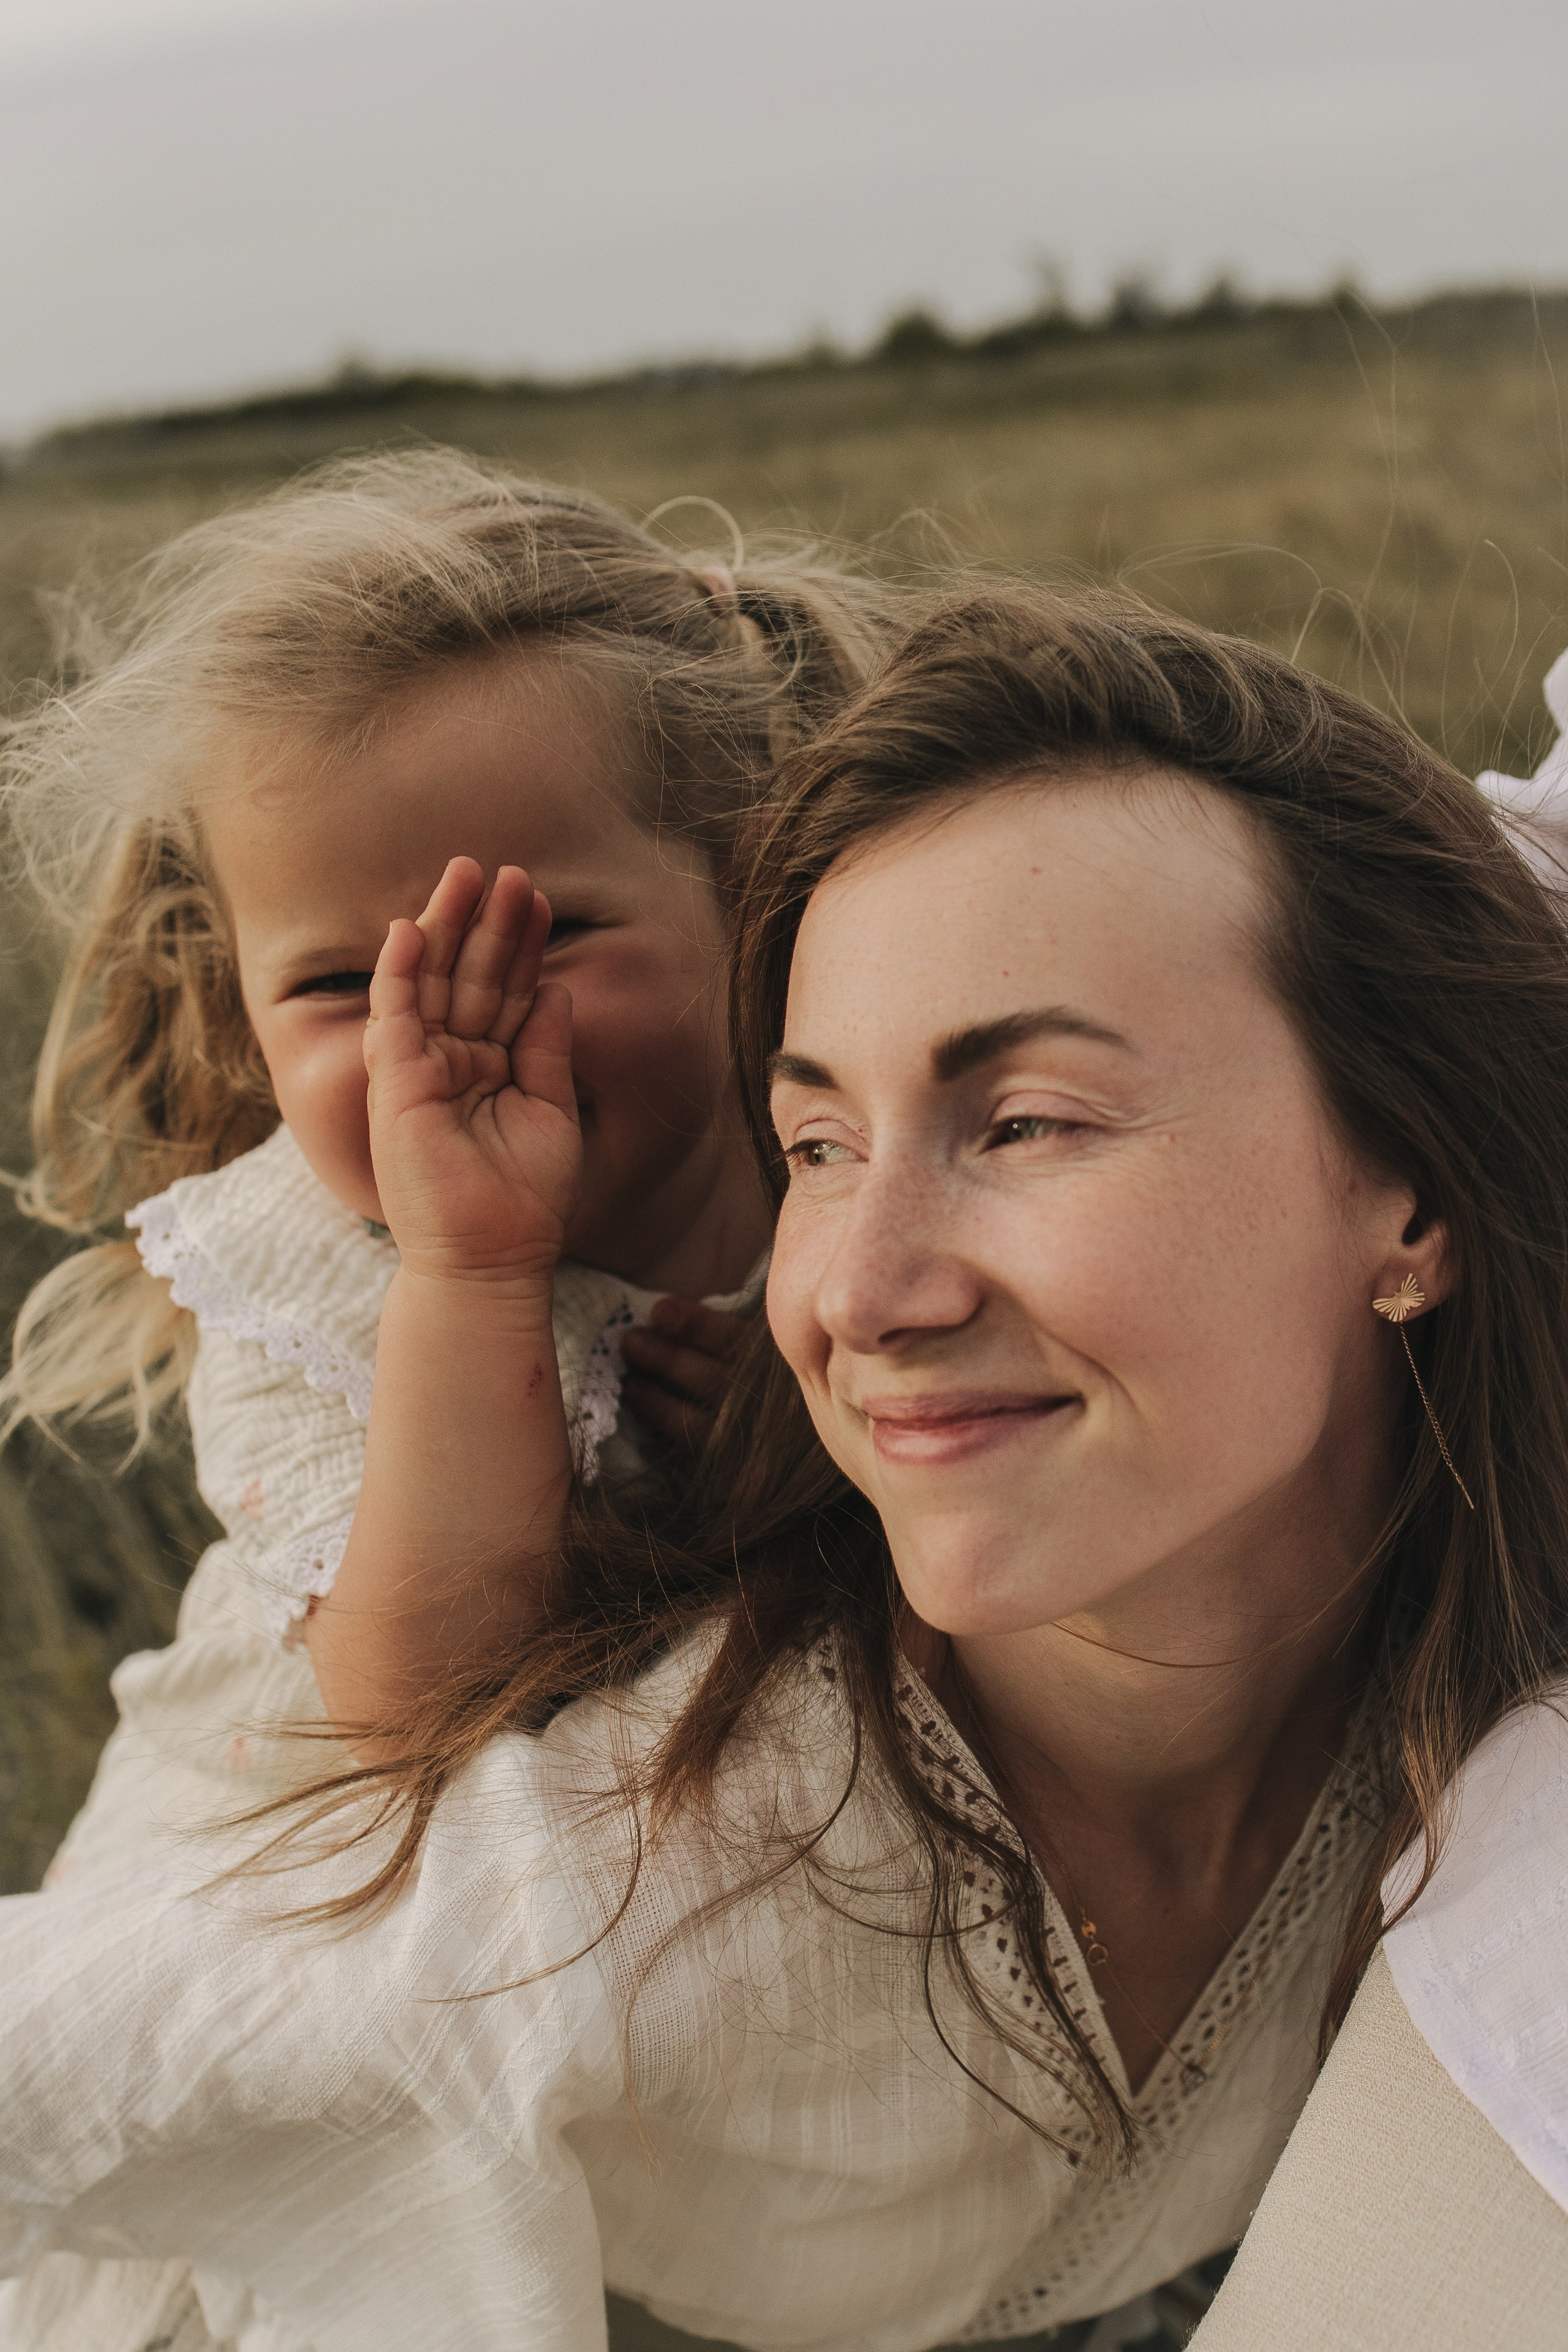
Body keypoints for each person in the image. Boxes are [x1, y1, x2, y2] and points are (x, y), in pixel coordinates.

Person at [4, 586, 1568, 2352]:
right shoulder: (622, 1887)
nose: (861, 1296)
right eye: (816, 1143)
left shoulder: (1497, 1659)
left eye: (1027, 1122)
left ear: (1418, 1189)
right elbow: (111, 2039)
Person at [0, 451, 892, 2349]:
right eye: (341, 982)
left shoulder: (853, 1157)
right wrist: (474, 1274)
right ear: (238, 1007)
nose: (447, 1033)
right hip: (306, 1867)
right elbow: (417, 1720)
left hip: (662, 1913)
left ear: (752, 885)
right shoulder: (318, 1282)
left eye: (541, 934)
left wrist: (808, 1444)